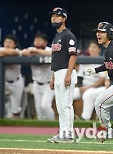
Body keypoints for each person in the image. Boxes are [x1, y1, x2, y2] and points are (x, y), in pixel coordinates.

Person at [47, 7, 77, 143]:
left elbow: (73, 56)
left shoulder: (68, 35)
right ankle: (62, 132)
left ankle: (68, 134)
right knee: (59, 106)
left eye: (57, 16)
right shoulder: (56, 36)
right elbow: (55, 59)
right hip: (58, 72)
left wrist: (68, 75)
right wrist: (53, 78)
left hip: (66, 71)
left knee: (66, 105)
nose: (54, 18)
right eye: (52, 16)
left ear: (64, 19)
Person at [0, 34, 24, 118]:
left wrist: (0, 53)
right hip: (3, 82)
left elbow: (13, 52)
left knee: (15, 109)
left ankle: (17, 126)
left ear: (15, 44)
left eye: (10, 42)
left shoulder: (18, 51)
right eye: (6, 42)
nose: (7, 44)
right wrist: (3, 52)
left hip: (16, 82)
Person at [22, 32, 55, 120]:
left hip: (49, 84)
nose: (37, 42)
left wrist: (36, 52)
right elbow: (24, 53)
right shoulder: (31, 49)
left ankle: (53, 124)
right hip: (36, 84)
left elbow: (52, 54)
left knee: (45, 105)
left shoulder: (49, 49)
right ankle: (42, 130)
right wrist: (33, 51)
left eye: (39, 40)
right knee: (39, 109)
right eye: (36, 40)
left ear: (45, 42)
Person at [73, 40, 108, 120]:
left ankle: (85, 118)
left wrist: (87, 88)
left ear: (99, 50)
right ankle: (70, 116)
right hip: (83, 87)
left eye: (94, 47)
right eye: (90, 47)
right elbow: (79, 77)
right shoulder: (85, 60)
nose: (92, 49)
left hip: (94, 88)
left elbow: (101, 80)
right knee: (68, 95)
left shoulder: (102, 61)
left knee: (87, 95)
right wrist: (80, 87)